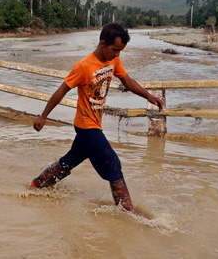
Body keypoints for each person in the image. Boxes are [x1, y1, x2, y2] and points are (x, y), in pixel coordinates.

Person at [30, 23, 164, 217]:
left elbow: (127, 81)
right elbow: (61, 90)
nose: (117, 55)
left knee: (70, 161)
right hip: (86, 125)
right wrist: (43, 116)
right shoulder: (83, 66)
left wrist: (148, 96)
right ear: (103, 43)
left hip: (94, 123)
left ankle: (37, 185)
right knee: (112, 162)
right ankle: (127, 211)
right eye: (115, 50)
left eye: (120, 51)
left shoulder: (114, 61)